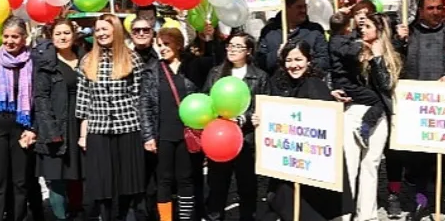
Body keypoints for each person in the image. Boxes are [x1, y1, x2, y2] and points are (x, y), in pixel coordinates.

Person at [256, 40, 353, 221]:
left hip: (312, 171)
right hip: (290, 165)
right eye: (289, 60)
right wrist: (260, 120)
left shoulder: (315, 85)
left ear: (309, 60)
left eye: (299, 59)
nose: (294, 65)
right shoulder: (278, 84)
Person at [396, 0, 445, 220]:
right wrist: (399, 41)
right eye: (430, 8)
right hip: (418, 107)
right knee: (420, 160)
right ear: (421, 10)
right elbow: (395, 64)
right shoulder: (411, 34)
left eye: (439, 8)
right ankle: (421, 202)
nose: (435, 12)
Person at [76, 14, 146, 221]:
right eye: (97, 30)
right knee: (102, 187)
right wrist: (83, 135)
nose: (101, 33)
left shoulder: (132, 58)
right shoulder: (87, 61)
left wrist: (145, 132)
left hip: (128, 129)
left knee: (128, 185)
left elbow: (139, 98)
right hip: (98, 130)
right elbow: (84, 102)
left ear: (115, 30)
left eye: (105, 29)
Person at [0, 17, 45, 221]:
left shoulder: (34, 62)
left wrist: (34, 127)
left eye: (15, 36)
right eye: (6, 36)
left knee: (21, 180)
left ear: (24, 38)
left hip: (23, 126)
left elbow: (41, 98)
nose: (9, 41)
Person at [332, 13, 398, 221]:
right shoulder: (353, 49)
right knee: (349, 166)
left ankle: (367, 215)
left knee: (371, 166)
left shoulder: (390, 56)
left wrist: (377, 58)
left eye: (368, 26)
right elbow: (339, 74)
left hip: (378, 118)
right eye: (361, 26)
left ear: (379, 30)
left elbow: (386, 86)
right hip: (352, 111)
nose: (362, 29)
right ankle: (345, 213)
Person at [203, 33, 270, 221]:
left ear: (248, 51)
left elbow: (261, 108)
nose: (232, 49)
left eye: (238, 46)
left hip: (246, 142)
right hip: (220, 139)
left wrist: (243, 119)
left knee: (247, 189)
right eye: (229, 45)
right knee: (217, 188)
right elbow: (206, 101)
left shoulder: (260, 77)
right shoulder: (216, 73)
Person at [140, 28, 201, 221]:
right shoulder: (152, 70)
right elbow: (144, 105)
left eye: (167, 44)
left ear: (178, 44)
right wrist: (148, 136)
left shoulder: (192, 67)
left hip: (187, 134)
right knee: (164, 180)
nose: (162, 48)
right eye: (160, 44)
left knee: (186, 179)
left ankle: (185, 218)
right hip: (162, 134)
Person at [35, 19, 84, 221]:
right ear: (51, 37)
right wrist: (51, 130)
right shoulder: (46, 64)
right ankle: (61, 217)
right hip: (55, 125)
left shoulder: (86, 59)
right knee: (56, 177)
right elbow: (41, 98)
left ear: (74, 35)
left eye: (66, 33)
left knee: (78, 175)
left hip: (81, 124)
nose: (62, 37)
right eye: (58, 34)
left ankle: (78, 213)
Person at [128, 17, 160, 221]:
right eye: (137, 30)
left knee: (156, 176)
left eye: (145, 30)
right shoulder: (126, 58)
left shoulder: (161, 56)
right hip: (132, 124)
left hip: (156, 123)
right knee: (135, 175)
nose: (141, 33)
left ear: (152, 33)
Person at [256, 0, 329, 75]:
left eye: (305, 6)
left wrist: (303, 66)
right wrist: (277, 54)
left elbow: (324, 60)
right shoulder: (269, 31)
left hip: (308, 82)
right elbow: (260, 62)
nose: (303, 10)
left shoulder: (314, 30)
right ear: (286, 8)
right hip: (277, 84)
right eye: (299, 7)